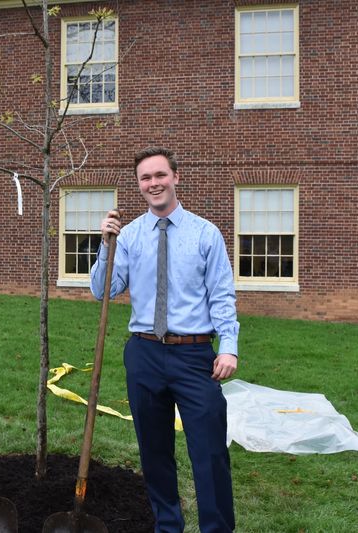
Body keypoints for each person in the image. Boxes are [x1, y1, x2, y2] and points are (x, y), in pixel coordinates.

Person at [90, 146, 239, 533]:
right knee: (155, 454)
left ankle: (217, 529)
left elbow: (222, 296)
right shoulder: (128, 236)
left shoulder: (206, 234)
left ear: (175, 177)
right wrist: (105, 246)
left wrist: (228, 347)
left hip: (194, 356)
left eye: (160, 175)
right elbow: (101, 290)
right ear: (138, 185)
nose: (153, 183)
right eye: (145, 178)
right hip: (144, 354)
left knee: (208, 453)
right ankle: (167, 527)